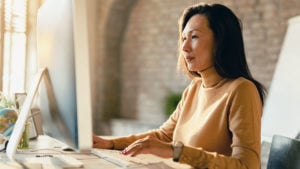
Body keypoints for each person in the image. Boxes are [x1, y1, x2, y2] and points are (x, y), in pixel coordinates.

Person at [93, 3, 266, 169]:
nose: (184, 47)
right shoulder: (194, 88)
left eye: (194, 37)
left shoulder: (242, 90)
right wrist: (112, 143)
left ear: (221, 41)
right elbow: (163, 136)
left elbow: (247, 166)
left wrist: (176, 151)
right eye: (183, 38)